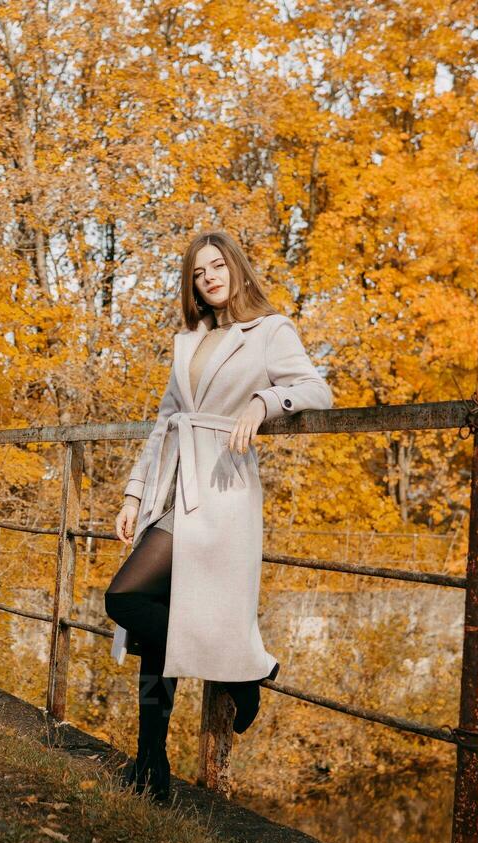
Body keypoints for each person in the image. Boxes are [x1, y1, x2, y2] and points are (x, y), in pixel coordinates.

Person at [104, 229, 333, 803]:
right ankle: (152, 765)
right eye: (198, 272)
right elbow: (164, 422)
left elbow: (315, 389)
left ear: (236, 267)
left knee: (124, 599)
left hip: (223, 490)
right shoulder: (190, 341)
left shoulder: (269, 331)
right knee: (143, 609)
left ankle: (239, 671)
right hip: (175, 487)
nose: (209, 277)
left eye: (217, 266)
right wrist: (134, 495)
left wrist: (262, 403)